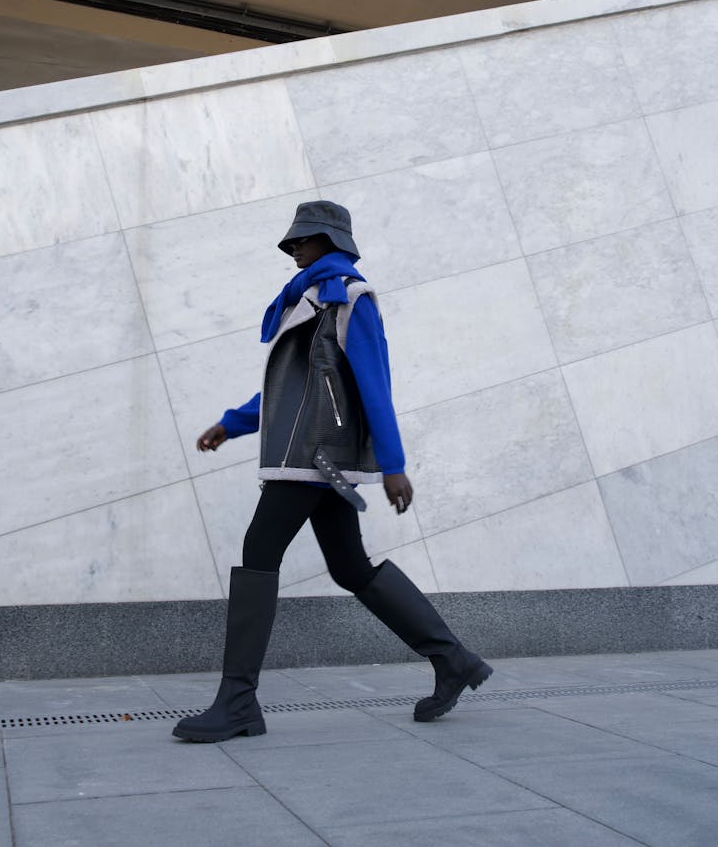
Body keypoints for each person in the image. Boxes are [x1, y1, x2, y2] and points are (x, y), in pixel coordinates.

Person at [173, 200, 492, 743]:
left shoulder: (351, 300)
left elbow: (375, 384)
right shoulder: (311, 299)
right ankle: (454, 660)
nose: (294, 246)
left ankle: (238, 702)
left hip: (314, 457)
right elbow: (293, 389)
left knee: (259, 553)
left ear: (333, 241)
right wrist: (232, 423)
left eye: (305, 238)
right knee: (350, 566)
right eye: (293, 240)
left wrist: (393, 465)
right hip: (308, 455)